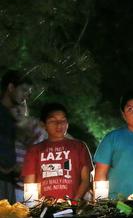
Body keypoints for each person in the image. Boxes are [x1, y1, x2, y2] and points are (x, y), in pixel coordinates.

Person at [21, 103, 92, 200]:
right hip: (44, 209)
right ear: (43, 125)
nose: (59, 124)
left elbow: (86, 180)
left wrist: (75, 202)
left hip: (75, 207)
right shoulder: (34, 151)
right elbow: (29, 184)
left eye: (63, 120)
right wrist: (37, 205)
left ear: (67, 123)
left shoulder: (79, 147)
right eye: (52, 121)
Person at [1, 69, 33, 202]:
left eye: (28, 93)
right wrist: (5, 169)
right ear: (10, 87)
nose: (26, 95)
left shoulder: (13, 117)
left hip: (9, 182)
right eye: (23, 90)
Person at [12, 100, 48, 201]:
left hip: (36, 189)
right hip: (14, 188)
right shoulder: (6, 129)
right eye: (15, 106)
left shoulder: (39, 128)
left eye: (22, 105)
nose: (19, 110)